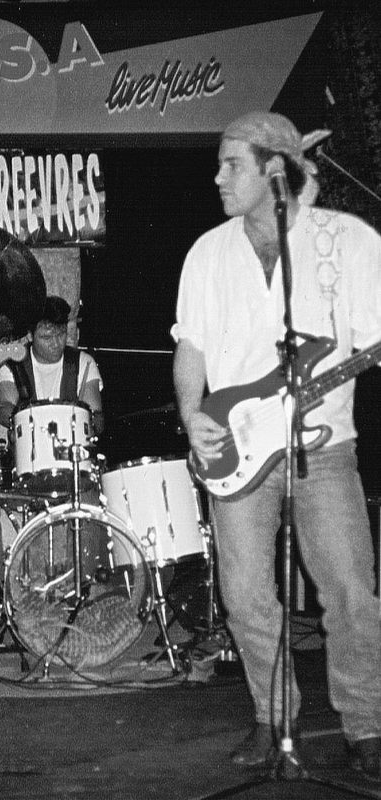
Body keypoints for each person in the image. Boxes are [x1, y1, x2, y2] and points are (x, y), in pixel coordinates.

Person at [172, 111, 381, 782]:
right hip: (233, 445)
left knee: (349, 592)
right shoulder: (207, 252)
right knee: (243, 595)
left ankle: (366, 724)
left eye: (231, 164)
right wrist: (191, 415)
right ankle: (273, 718)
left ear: (273, 170)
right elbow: (191, 348)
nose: (217, 177)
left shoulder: (345, 241)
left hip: (323, 446)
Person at [0, 294, 104, 436]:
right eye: (47, 337)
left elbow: (96, 418)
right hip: (29, 446)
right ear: (30, 335)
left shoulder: (83, 362)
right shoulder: (14, 365)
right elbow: (3, 409)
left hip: (71, 446)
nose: (56, 343)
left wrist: (91, 419)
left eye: (61, 334)